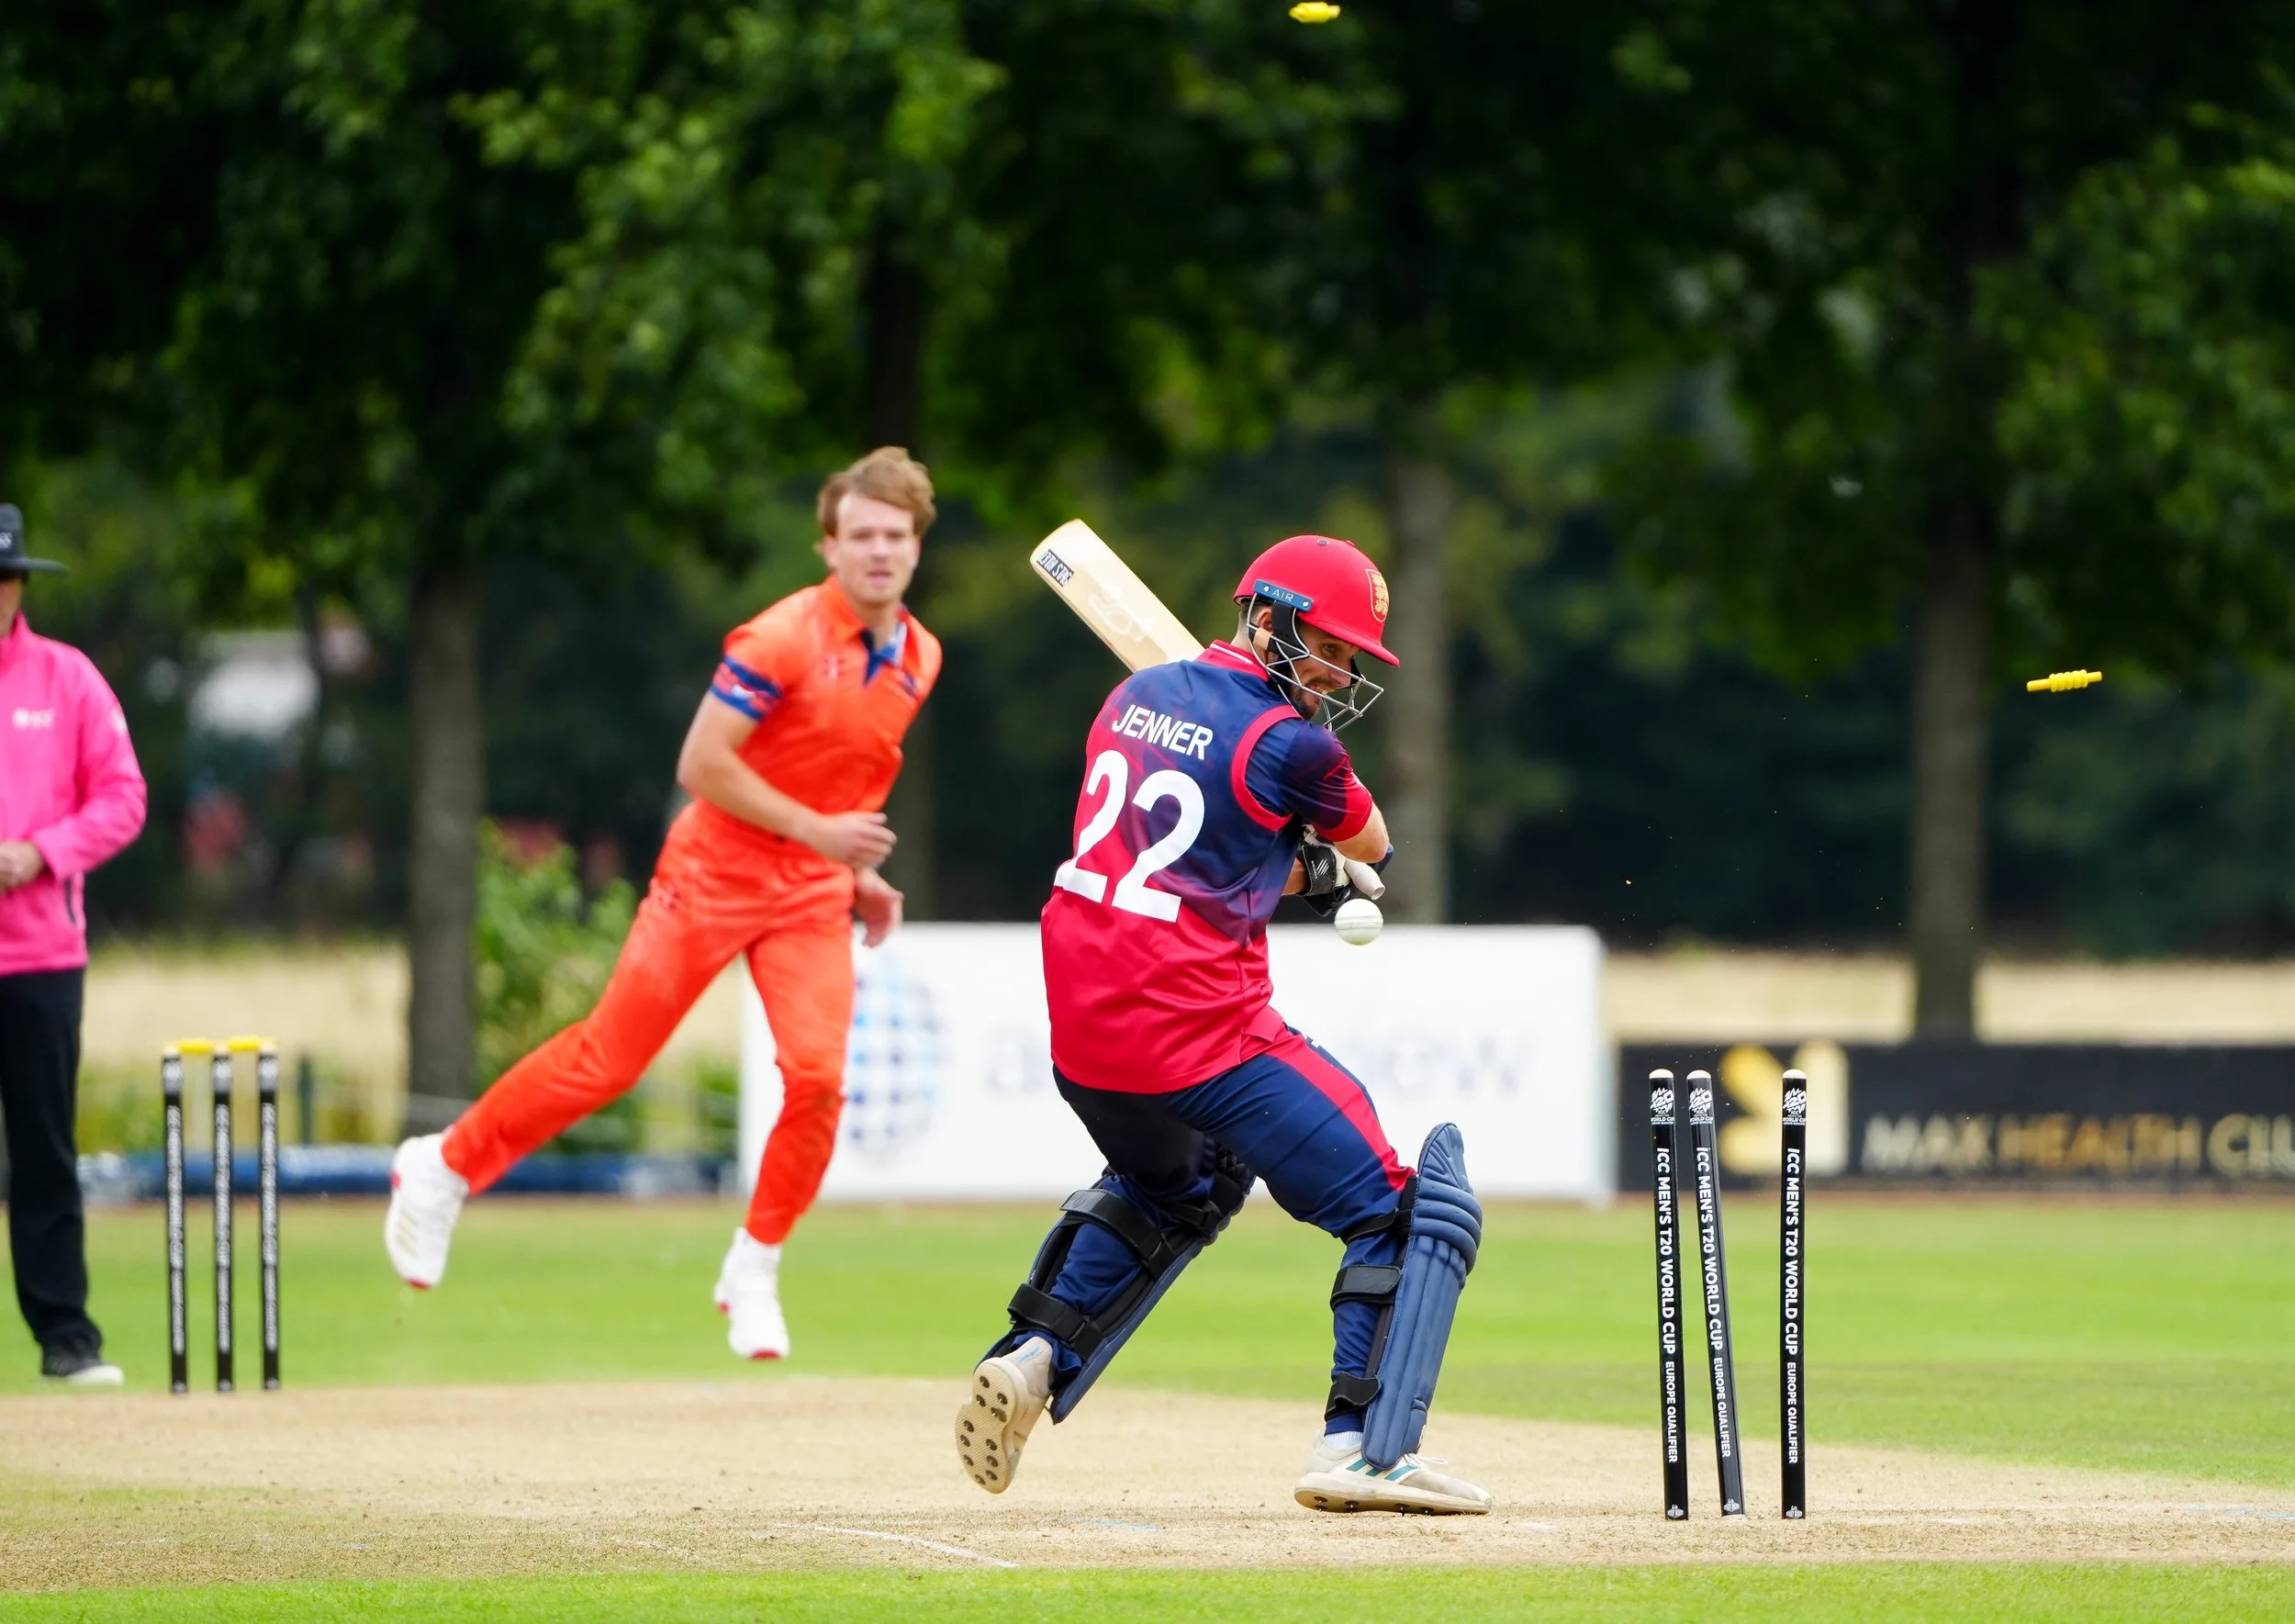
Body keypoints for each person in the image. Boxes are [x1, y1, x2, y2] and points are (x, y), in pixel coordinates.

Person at [954, 533, 1492, 1515]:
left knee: (1176, 1188)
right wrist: (1328, 857)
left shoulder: (1131, 697)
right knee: (1398, 1208)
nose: (1336, 672)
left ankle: (1035, 1355)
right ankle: (1359, 1446)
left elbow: (1195, 851)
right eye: (1326, 647)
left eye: (1348, 658)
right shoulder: (1300, 747)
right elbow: (1373, 836)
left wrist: (1299, 867)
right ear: (1270, 618)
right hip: (1200, 1031)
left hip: (1084, 1034)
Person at [384, 448, 942, 1360]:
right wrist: (825, 838)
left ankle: (754, 1265)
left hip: (806, 889)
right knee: (608, 1058)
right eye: (861, 535)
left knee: (818, 1079)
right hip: (713, 871)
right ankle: (443, 1165)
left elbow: (846, 782)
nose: (879, 551)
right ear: (829, 545)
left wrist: (858, 874)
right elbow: (702, 765)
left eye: (896, 536)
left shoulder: (921, 654)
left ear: (916, 547)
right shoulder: (779, 638)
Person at [0, 503, 148, 1384]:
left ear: (21, 584)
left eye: (5, 579)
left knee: (45, 1153)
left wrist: (40, 853)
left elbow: (123, 797)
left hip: (41, 957)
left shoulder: (68, 679)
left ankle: (65, 1337)